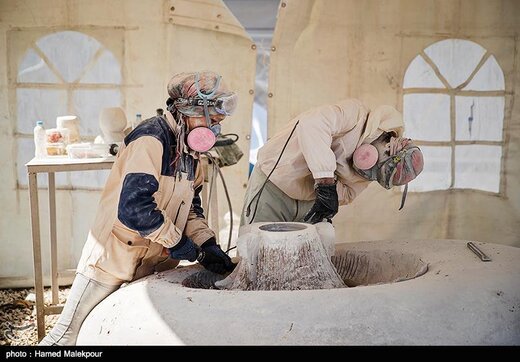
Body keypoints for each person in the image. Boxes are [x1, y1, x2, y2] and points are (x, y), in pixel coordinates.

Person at [39, 71, 237, 346]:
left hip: (152, 263)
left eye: (219, 123)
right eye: (212, 121)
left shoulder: (191, 154)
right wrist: (178, 242)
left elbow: (191, 207)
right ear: (189, 110)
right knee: (66, 336)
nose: (215, 130)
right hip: (113, 260)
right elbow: (134, 208)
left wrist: (207, 243)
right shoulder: (151, 138)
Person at [241, 98, 424, 226]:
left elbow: (348, 193)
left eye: (376, 175)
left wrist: (328, 202)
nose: (369, 172)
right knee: (256, 255)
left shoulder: (370, 173)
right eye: (375, 166)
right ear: (391, 145)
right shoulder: (356, 114)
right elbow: (312, 124)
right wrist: (325, 181)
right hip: (273, 186)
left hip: (309, 203)